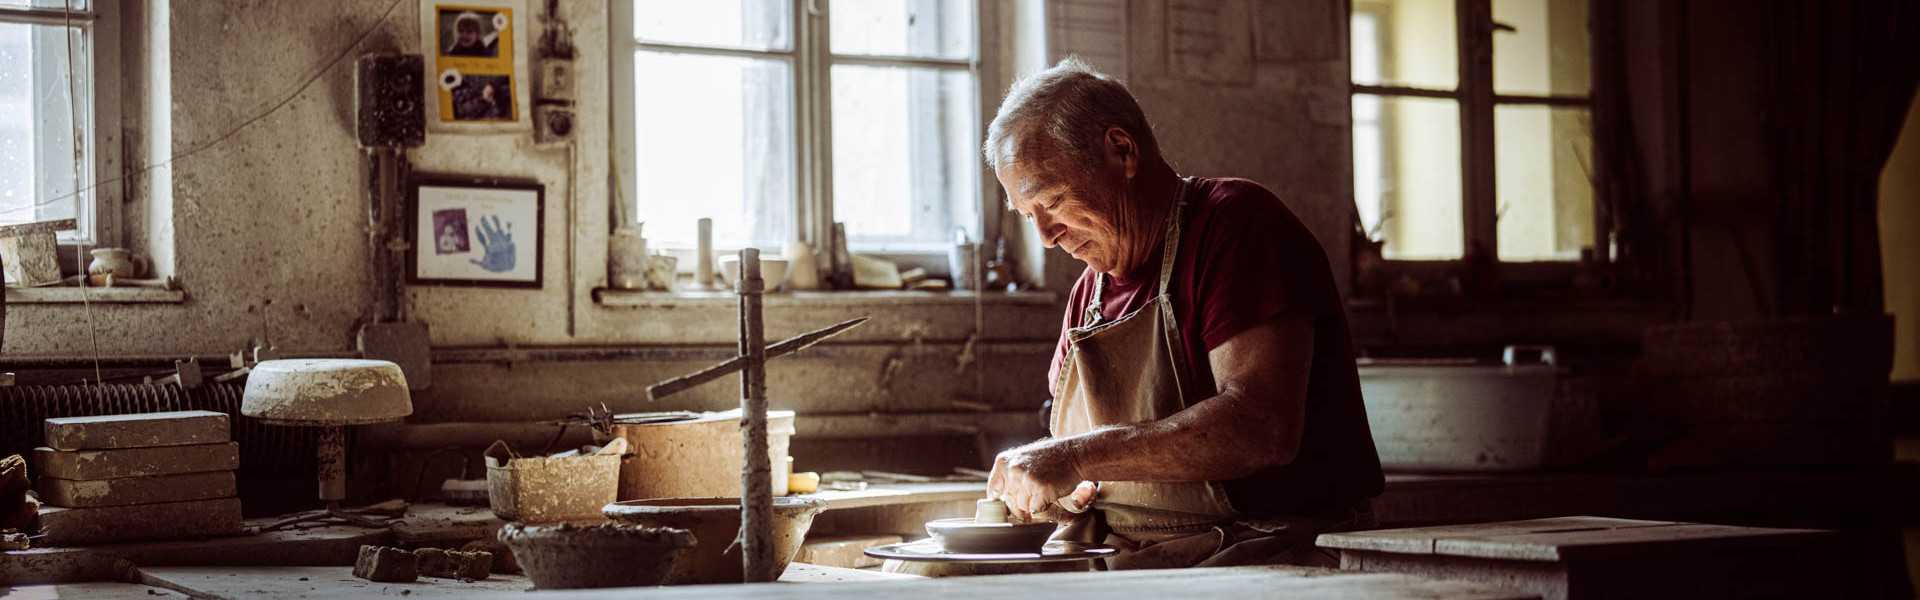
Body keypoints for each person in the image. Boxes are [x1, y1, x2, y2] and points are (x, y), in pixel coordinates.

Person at [983, 57, 1384, 570]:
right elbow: (1079, 466)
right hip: (1131, 552)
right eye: (1027, 217)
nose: (1045, 236)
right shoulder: (1087, 298)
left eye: (1052, 201)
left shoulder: (1237, 227)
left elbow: (1262, 427)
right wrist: (1053, 483)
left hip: (1262, 545)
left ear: (1122, 151)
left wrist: (1075, 456)